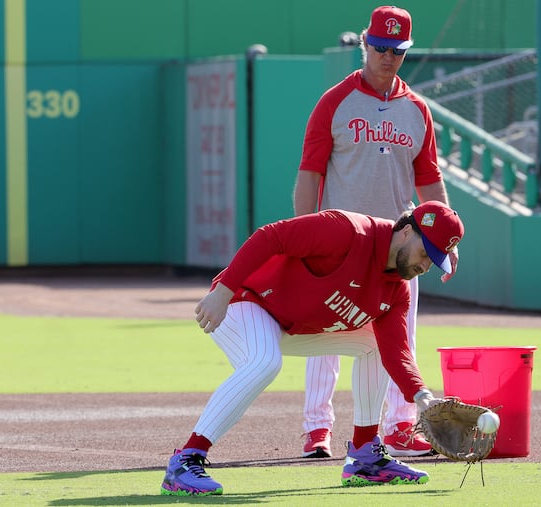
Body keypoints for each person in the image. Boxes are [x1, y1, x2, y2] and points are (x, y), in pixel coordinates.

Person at [160, 201, 465, 495]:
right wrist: (223, 291)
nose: (425, 265)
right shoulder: (347, 231)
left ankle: (365, 456)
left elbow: (396, 351)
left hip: (293, 325)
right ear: (408, 231)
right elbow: (270, 237)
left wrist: (422, 397)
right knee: (265, 362)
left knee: (373, 345)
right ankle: (186, 461)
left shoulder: (397, 290)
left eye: (434, 261)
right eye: (425, 253)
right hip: (243, 301)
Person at [294, 4, 458, 460]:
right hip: (340, 239)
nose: (388, 56)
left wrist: (443, 238)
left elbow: (429, 179)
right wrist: (304, 234)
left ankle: (401, 425)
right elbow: (309, 173)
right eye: (381, 47)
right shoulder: (335, 101)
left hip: (399, 246)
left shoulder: (417, 110)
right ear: (365, 44)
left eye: (397, 49)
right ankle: (316, 429)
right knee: (322, 337)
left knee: (400, 338)